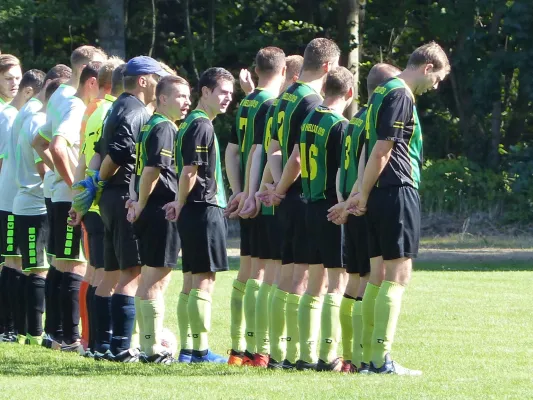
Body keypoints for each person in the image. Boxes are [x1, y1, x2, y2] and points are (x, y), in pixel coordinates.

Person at [345, 41, 450, 375]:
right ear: (427, 67)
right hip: (396, 190)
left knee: (376, 277)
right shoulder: (401, 94)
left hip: (378, 193)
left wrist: (361, 192)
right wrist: (360, 193)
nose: (435, 86)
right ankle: (380, 360)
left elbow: (366, 150)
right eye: (437, 79)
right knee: (398, 275)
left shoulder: (378, 94)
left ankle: (366, 358)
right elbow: (380, 150)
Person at [76, 56, 168, 362]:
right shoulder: (134, 109)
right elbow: (119, 150)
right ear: (143, 80)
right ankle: (119, 347)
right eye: (157, 77)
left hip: (110, 198)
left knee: (110, 273)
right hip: (122, 195)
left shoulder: (116, 106)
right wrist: (98, 183)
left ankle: (100, 345)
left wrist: (91, 185)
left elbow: (98, 152)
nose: (161, 83)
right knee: (130, 272)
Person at [259, 38, 340, 369]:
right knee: (307, 280)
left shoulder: (283, 98)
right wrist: (284, 187)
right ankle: (303, 355)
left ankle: (279, 353)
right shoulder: (313, 102)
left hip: (285, 197)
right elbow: (298, 156)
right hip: (306, 196)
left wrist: (276, 187)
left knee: (287, 276)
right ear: (327, 67)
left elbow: (273, 148)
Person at [327, 63, 401, 373]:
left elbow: (344, 168)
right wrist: (354, 201)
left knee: (356, 280)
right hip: (364, 202)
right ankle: (367, 356)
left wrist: (343, 200)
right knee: (371, 279)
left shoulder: (353, 122)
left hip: (351, 200)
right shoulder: (374, 122)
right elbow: (366, 162)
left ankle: (351, 356)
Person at [164, 67, 234, 363]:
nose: (228, 98)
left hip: (194, 210)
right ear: (205, 92)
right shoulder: (201, 124)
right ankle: (199, 351)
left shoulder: (189, 123)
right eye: (222, 92)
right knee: (204, 279)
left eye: (231, 93)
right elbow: (190, 170)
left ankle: (188, 350)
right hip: (203, 208)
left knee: (191, 280)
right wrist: (180, 201)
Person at [286, 66, 353, 371]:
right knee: (336, 283)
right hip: (330, 207)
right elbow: (341, 172)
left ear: (324, 88)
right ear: (349, 94)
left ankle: (304, 353)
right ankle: (329, 355)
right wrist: (344, 206)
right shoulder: (339, 125)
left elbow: (298, 158)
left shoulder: (309, 118)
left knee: (314, 284)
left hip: (308, 205)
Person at [225, 46, 286, 367]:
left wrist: (237, 192)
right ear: (284, 71)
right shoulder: (271, 104)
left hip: (249, 195)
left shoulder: (247, 101)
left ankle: (239, 348)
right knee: (270, 275)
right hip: (264, 198)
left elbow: (232, 152)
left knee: (248, 272)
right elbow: (259, 152)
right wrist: (252, 193)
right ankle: (260, 349)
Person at [126, 75, 191, 364]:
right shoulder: (164, 127)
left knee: (149, 278)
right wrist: (139, 203)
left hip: (149, 208)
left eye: (188, 96)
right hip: (159, 209)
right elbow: (152, 170)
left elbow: (136, 168)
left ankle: (146, 345)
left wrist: (134, 200)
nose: (186, 102)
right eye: (180, 96)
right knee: (156, 280)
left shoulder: (151, 124)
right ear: (162, 98)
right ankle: (152, 350)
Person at [70, 57, 124, 355]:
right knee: (104, 275)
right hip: (103, 200)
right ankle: (96, 340)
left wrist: (78, 199)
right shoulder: (113, 111)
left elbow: (82, 159)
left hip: (90, 200)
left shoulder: (91, 110)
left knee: (94, 273)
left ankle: (90, 338)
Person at [13, 69, 68, 346]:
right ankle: (34, 333)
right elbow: (40, 162)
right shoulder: (36, 118)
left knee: (30, 267)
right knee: (38, 269)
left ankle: (25, 330)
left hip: (25, 200)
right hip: (34, 201)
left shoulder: (26, 114)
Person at [0, 68, 43, 343]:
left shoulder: (16, 114)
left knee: (16, 260)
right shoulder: (9, 116)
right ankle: (11, 327)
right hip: (11, 199)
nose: (14, 83)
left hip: (13, 197)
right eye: (8, 77)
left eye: (17, 77)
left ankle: (14, 327)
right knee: (17, 261)